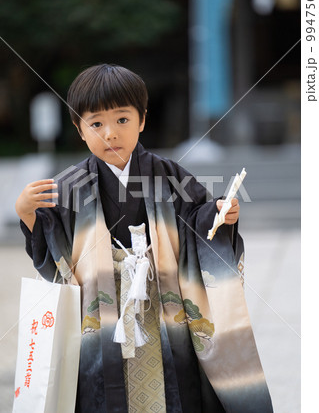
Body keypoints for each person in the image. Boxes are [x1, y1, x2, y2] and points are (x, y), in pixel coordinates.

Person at [16, 64, 273, 412]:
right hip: (103, 311)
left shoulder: (170, 175)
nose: (110, 134)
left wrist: (220, 216)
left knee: (175, 385)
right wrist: (28, 213)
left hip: (162, 303)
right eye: (96, 124)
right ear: (79, 129)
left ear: (142, 120)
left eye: (122, 120)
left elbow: (199, 217)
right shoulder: (68, 185)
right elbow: (53, 250)